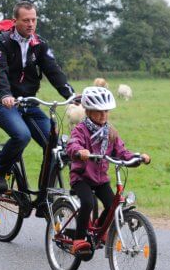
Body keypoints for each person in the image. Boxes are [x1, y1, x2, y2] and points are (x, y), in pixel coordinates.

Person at [0, 1, 74, 196]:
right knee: (22, 135)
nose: (31, 24)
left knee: (55, 146)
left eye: (34, 19)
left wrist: (71, 94)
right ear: (15, 21)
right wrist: (5, 95)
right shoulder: (2, 42)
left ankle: (45, 194)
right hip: (2, 104)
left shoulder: (39, 44)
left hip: (29, 103)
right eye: (26, 20)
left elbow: (53, 70)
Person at [64, 87, 150, 255]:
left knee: (113, 205)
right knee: (88, 202)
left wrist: (138, 158)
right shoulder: (81, 129)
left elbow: (122, 152)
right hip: (82, 177)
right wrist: (79, 152)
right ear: (88, 111)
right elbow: (72, 144)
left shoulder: (110, 132)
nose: (103, 115)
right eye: (98, 112)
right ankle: (78, 240)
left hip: (101, 178)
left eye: (106, 111)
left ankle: (100, 231)